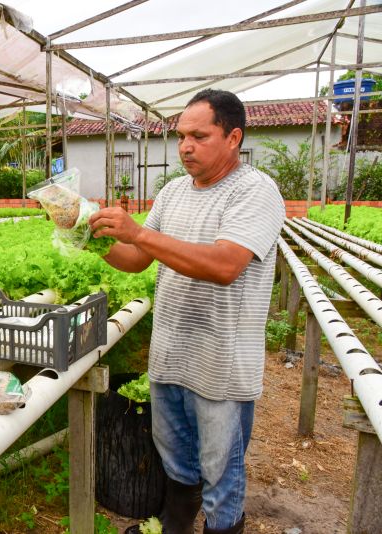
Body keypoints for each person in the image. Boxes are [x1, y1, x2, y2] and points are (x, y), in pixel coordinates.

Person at [89, 89, 285, 534]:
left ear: (233, 137)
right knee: (176, 458)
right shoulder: (174, 191)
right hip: (170, 354)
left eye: (199, 135)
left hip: (222, 365)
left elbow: (223, 266)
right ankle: (174, 526)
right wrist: (89, 238)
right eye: (181, 137)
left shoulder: (256, 192)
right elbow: (136, 259)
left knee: (222, 473)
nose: (186, 147)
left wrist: (138, 233)